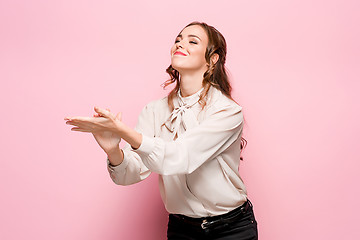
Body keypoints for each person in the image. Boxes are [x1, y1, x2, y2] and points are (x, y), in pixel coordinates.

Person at [65, 21, 258, 240]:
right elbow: (130, 173)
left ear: (212, 60)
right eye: (178, 39)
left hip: (231, 229)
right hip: (182, 230)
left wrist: (124, 131)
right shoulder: (154, 110)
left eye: (192, 41)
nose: (180, 44)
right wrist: (113, 151)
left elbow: (180, 157)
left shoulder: (227, 111)